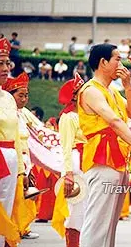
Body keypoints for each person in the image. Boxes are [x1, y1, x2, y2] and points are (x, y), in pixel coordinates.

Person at [78, 43, 131, 247]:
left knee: (109, 223)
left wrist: (127, 86)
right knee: (98, 222)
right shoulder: (91, 90)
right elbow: (114, 121)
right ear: (103, 62)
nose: (120, 63)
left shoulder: (113, 92)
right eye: (117, 59)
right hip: (102, 159)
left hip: (117, 159)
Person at [2, 72, 39, 240]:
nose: (24, 99)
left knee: (17, 198)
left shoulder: (22, 113)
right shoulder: (10, 111)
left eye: (26, 95)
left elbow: (38, 131)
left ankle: (19, 230)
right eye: (20, 95)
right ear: (11, 96)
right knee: (10, 199)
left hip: (21, 158)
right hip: (8, 156)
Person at [52, 73, 87, 247]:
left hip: (87, 159)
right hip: (75, 161)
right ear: (74, 95)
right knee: (75, 209)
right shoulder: (68, 117)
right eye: (82, 91)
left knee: (85, 208)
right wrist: (68, 174)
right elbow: (65, 147)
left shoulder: (85, 114)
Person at [0, 37, 25, 246]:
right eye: (0, 63)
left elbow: (16, 136)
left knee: (6, 208)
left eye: (7, 63)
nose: (5, 68)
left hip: (10, 158)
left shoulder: (8, 97)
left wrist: (21, 170)